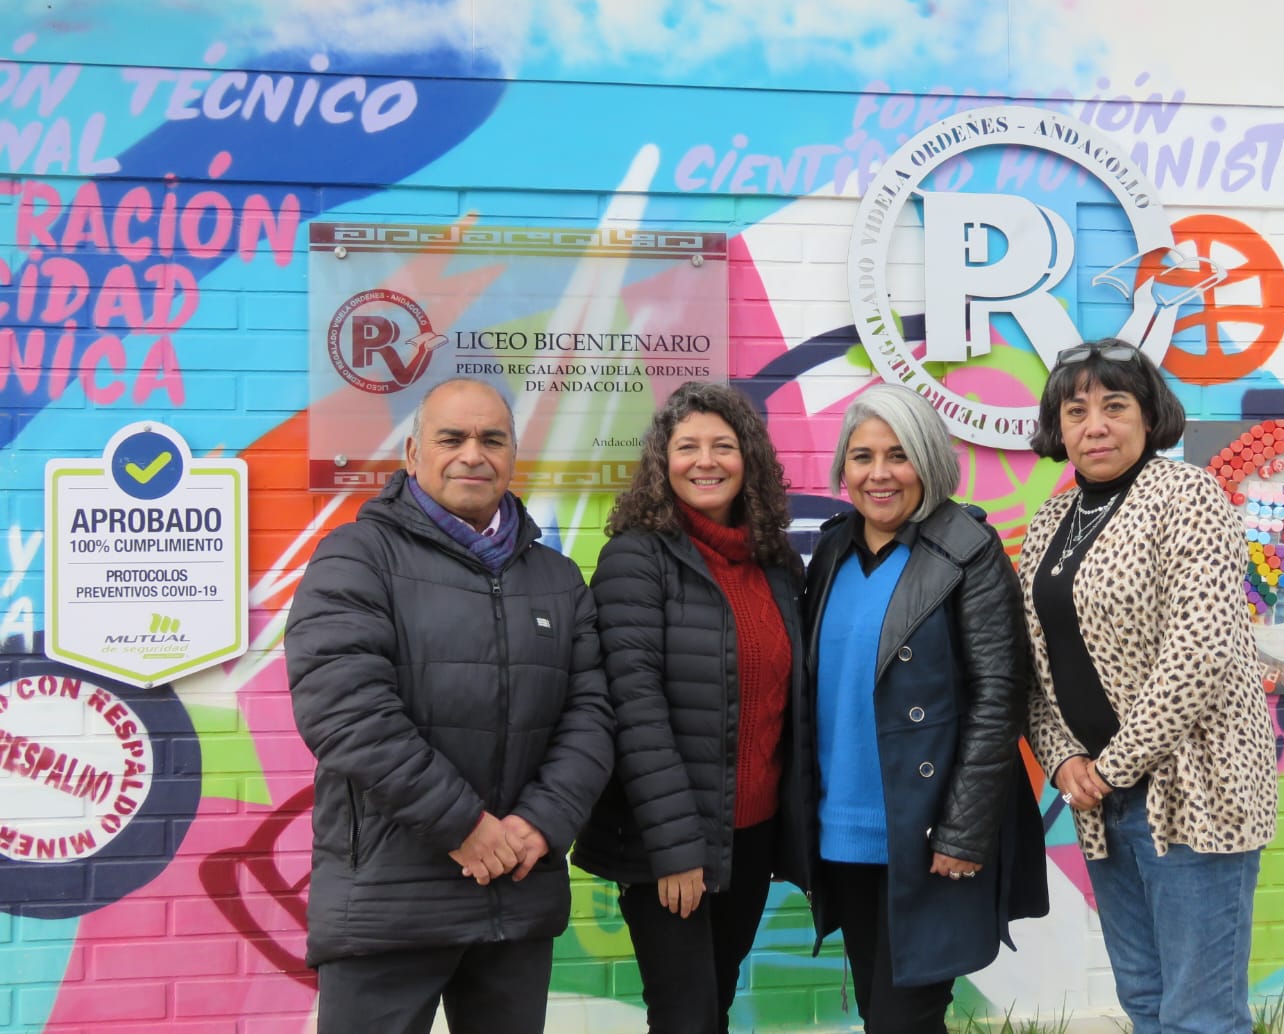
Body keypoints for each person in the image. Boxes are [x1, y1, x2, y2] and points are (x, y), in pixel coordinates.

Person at [285, 378, 614, 1034]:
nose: (473, 454)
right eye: (451, 438)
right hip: (387, 905)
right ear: (412, 454)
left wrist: (540, 822)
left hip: (516, 897)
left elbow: (592, 714)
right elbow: (345, 710)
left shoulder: (557, 578)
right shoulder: (356, 558)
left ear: (513, 456)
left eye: (492, 439)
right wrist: (464, 826)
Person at [1020, 337, 1277, 1034]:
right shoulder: (1049, 523)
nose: (1093, 425)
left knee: (1199, 1012)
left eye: (1113, 405)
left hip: (1196, 791)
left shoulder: (1186, 496)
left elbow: (1201, 648)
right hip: (1101, 802)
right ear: (1057, 426)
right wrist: (1064, 759)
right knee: (1143, 999)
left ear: (1147, 415)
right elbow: (1035, 666)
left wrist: (1110, 765)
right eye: (1075, 411)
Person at [794, 383, 1048, 1034]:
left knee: (905, 1021)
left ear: (929, 461)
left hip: (929, 836)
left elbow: (999, 694)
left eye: (898, 454)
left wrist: (964, 831)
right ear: (842, 470)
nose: (878, 474)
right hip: (843, 834)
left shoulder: (967, 550)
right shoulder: (829, 553)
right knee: (882, 1011)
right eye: (861, 456)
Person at [572, 382, 804, 1034]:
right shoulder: (636, 560)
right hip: (667, 843)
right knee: (685, 1017)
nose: (705, 461)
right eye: (687, 446)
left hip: (751, 836)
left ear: (748, 459)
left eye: (722, 446)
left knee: (716, 1001)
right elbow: (634, 710)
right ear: (662, 461)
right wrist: (677, 852)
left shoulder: (776, 565)